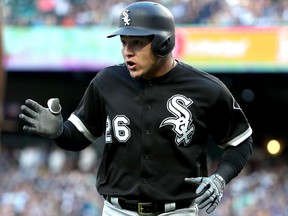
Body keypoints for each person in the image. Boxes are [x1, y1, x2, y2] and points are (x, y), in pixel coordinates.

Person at [19, 1, 253, 215]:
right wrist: (60, 132)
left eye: (137, 43)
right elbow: (79, 136)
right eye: (124, 43)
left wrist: (220, 179)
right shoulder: (107, 81)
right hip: (117, 210)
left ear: (164, 43)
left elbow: (241, 141)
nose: (127, 51)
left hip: (177, 212)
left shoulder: (206, 88)